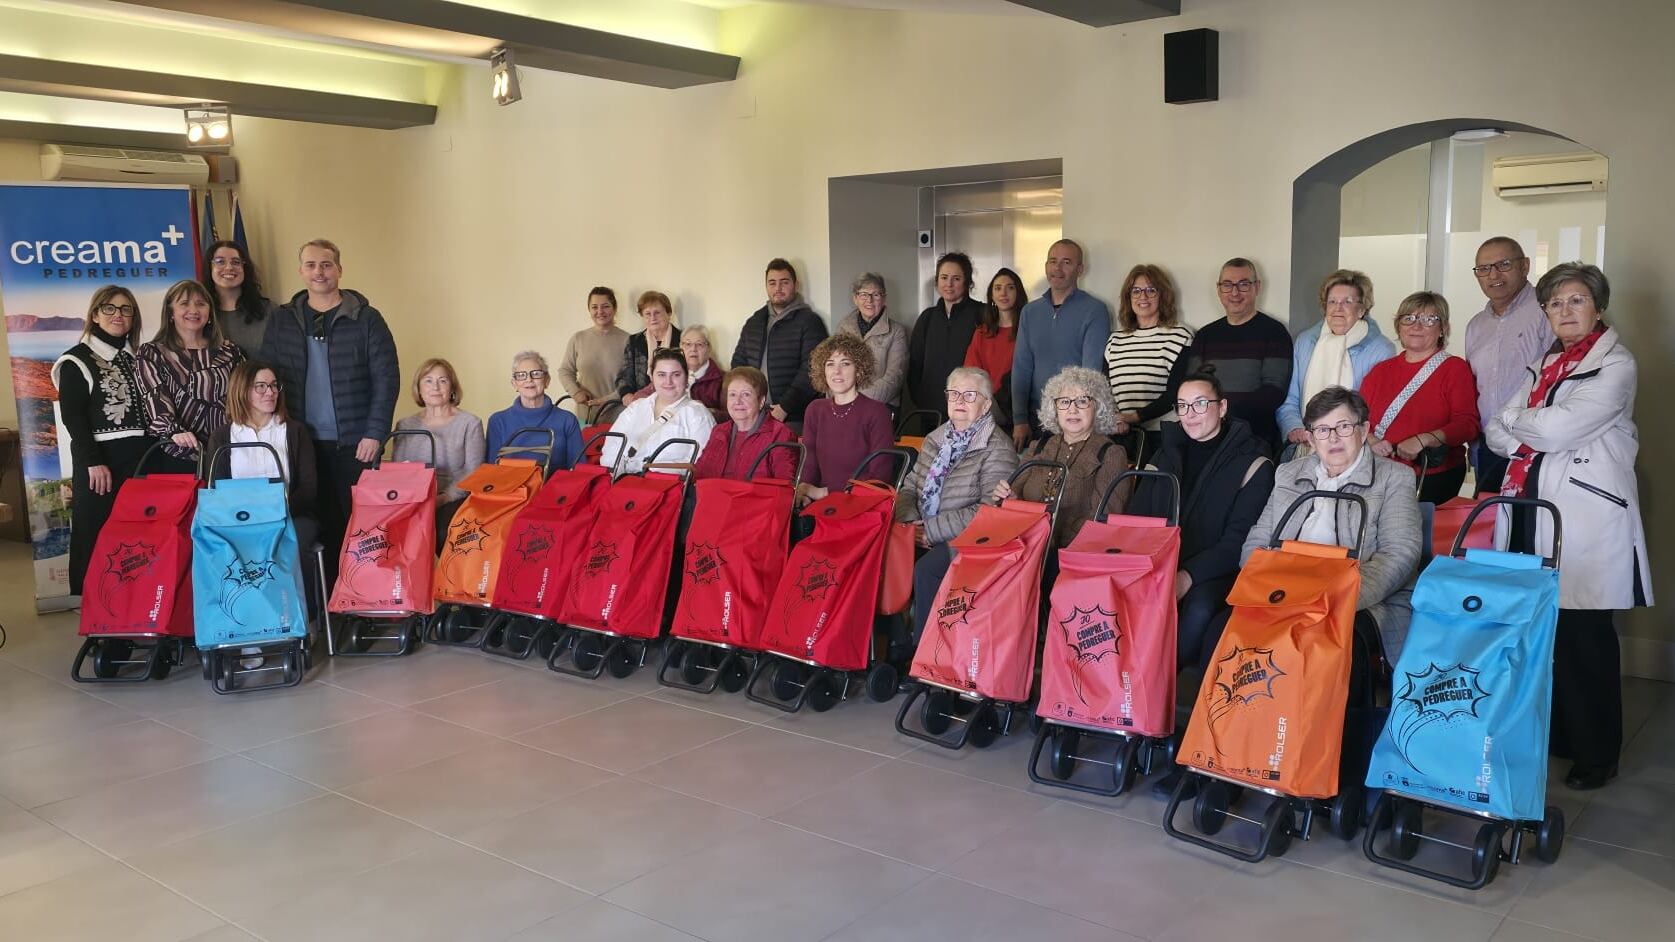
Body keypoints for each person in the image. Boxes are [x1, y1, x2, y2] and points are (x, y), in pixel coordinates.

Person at [1485, 262, 1652, 791]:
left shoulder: (1616, 365)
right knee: (1543, 633)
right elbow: (1494, 427)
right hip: (1531, 508)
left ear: (1597, 306)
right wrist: (1523, 428)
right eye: (1555, 304)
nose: (1565, 311)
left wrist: (1521, 426)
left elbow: (1560, 429)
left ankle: (1598, 752)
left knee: (1585, 638)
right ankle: (1559, 734)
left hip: (1583, 515)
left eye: (1576, 301)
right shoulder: (1542, 365)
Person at [1247, 387, 1421, 662]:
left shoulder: (1394, 477)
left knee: (1319, 645)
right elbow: (1259, 539)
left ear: (1363, 431)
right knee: (1224, 631)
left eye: (1343, 427)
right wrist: (1262, 588)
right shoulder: (1288, 473)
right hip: (1285, 591)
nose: (1333, 438)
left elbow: (1400, 553)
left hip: (1356, 599)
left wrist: (1337, 599)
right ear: (1312, 440)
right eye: (1322, 430)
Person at [261, 238, 400, 566]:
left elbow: (386, 379)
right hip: (301, 442)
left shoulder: (367, 319)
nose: (318, 272)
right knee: (314, 527)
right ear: (301, 272)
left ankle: (361, 605)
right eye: (310, 265)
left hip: (355, 444)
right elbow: (267, 375)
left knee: (362, 527)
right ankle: (324, 607)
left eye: (326, 264)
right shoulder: (283, 320)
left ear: (339, 269)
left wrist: (375, 433)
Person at [1129, 369, 1274, 671]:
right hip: (1159, 562)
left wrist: (1187, 576)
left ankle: (1158, 687)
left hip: (1215, 570)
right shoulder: (1165, 453)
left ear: (1221, 407)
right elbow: (1135, 520)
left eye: (1200, 404)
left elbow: (1238, 542)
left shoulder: (1254, 461)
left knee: (1199, 607)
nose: (1190, 414)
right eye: (1182, 405)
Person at [896, 367, 1020, 638]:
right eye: (954, 394)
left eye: (970, 395)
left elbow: (989, 510)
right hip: (919, 529)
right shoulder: (935, 439)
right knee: (880, 552)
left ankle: (924, 656)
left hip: (967, 540)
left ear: (986, 405)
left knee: (925, 569)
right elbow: (909, 487)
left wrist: (931, 530)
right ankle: (894, 646)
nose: (959, 401)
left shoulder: (998, 447)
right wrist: (909, 525)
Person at [51, 285, 153, 596]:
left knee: (137, 538)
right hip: (100, 461)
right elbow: (74, 418)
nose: (118, 315)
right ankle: (98, 622)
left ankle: (134, 613)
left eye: (125, 309)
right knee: (96, 535)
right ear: (95, 315)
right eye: (109, 308)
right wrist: (92, 461)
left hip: (140, 459)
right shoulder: (75, 361)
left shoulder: (139, 358)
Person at [1160, 258, 1293, 452]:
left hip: (1254, 440)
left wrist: (1219, 413)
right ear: (1218, 289)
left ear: (1257, 287)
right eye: (1228, 285)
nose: (1235, 293)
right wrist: (1211, 415)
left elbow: (1274, 392)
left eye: (1244, 284)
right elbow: (1191, 386)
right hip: (1204, 440)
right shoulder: (1205, 336)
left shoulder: (1275, 332)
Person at [1361, 292, 1480, 503]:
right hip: (1380, 473)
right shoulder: (1380, 371)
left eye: (1428, 320)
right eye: (1409, 318)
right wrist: (1371, 440)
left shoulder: (1454, 369)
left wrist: (1423, 439)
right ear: (1399, 326)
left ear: (1443, 328)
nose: (1416, 326)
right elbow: (1358, 419)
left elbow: (1467, 424)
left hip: (1431, 478)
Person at [992, 366, 1129, 548]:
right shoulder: (1038, 447)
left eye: (1082, 401)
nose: (1072, 409)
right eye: (1064, 402)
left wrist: (1047, 537)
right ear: (1054, 408)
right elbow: (1009, 503)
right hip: (1023, 546)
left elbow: (1101, 522)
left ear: (1097, 406)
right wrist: (1010, 498)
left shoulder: (1111, 454)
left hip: (1072, 555)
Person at [1465, 237, 1552, 494]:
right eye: (1484, 269)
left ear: (1525, 265)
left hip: (1531, 442)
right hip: (1487, 445)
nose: (1493, 275)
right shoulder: (1476, 325)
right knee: (1490, 526)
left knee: (1527, 525)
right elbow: (1474, 385)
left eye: (1503, 264)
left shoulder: (1547, 312)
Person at [205, 360, 318, 553]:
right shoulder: (221, 437)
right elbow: (217, 491)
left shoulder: (295, 431)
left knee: (296, 536)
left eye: (274, 385)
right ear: (242, 390)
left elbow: (309, 489)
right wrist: (249, 516)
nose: (271, 392)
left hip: (288, 516)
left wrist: (276, 512)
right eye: (261, 386)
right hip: (239, 520)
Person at [1277, 269, 1395, 453]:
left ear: (1362, 309)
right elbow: (1291, 398)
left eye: (1347, 302)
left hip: (1354, 448)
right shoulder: (1305, 341)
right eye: (1332, 301)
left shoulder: (1381, 349)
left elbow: (1376, 412)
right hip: (1306, 445)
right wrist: (1294, 428)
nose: (1338, 308)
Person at [135, 279, 245, 474]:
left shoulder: (230, 351)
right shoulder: (151, 353)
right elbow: (154, 397)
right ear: (170, 313)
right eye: (184, 303)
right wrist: (175, 431)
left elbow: (244, 395)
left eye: (201, 304)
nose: (194, 310)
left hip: (229, 452)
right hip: (179, 454)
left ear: (210, 313)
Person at [1012, 239, 1111, 449]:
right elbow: (1021, 368)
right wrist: (1019, 419)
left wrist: (1074, 417)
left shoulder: (1095, 310)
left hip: (1074, 421)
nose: (1057, 268)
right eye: (1052, 261)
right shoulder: (1030, 312)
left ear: (1080, 269)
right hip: (1034, 420)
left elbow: (1089, 374)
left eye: (1066, 262)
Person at [393, 358, 485, 549]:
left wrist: (441, 498)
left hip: (453, 497)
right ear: (419, 389)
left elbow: (473, 473)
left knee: (442, 531)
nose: (435, 386)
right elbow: (396, 472)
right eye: (428, 380)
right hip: (412, 499)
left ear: (452, 387)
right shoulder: (405, 425)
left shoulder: (470, 423)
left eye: (442, 380)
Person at [1103, 264, 1194, 448]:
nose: (1143, 297)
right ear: (1128, 297)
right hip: (1120, 436)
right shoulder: (1115, 340)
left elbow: (1176, 394)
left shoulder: (1180, 336)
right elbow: (1103, 390)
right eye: (1136, 291)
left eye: (1151, 290)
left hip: (1162, 437)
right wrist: (1116, 419)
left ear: (1163, 295)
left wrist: (1134, 417)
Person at [798, 333, 894, 504]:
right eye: (830, 364)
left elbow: (880, 478)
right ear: (823, 370)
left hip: (861, 505)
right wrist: (804, 492)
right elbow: (809, 465)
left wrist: (823, 493)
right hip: (820, 505)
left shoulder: (878, 412)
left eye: (845, 364)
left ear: (859, 370)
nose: (837, 371)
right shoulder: (815, 410)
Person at [731, 258, 827, 425]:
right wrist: (746, 402)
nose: (778, 288)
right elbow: (738, 364)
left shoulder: (810, 322)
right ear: (766, 286)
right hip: (755, 415)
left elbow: (812, 370)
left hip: (794, 417)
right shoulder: (754, 321)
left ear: (795, 285)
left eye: (784, 282)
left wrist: (785, 407)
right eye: (772, 283)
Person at [602, 347, 715, 473]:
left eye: (676, 375)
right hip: (626, 485)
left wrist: (650, 471)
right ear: (652, 377)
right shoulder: (635, 409)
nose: (668, 382)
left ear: (686, 377)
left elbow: (702, 463)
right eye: (661, 375)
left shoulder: (698, 415)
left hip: (671, 488)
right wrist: (621, 475)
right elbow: (611, 448)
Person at [908, 252, 984, 421]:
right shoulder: (927, 318)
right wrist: (921, 400)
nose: (949, 284)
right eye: (943, 277)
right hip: (931, 411)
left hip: (971, 410)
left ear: (967, 282)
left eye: (956, 278)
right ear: (937, 282)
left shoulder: (982, 314)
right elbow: (914, 365)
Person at [693, 367, 797, 481]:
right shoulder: (719, 431)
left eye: (746, 394)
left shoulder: (780, 434)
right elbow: (700, 474)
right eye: (732, 395)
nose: (737, 401)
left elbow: (784, 487)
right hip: (714, 496)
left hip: (755, 498)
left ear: (761, 401)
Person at [486, 351, 584, 471]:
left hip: (553, 488)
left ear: (547, 380)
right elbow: (491, 470)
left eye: (536, 374)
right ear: (514, 384)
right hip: (509, 488)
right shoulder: (498, 421)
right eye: (521, 375)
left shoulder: (567, 420)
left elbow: (579, 470)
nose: (529, 379)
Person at [964, 267, 1024, 433]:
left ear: (1018, 293)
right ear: (991, 295)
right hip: (987, 411)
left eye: (1010, 288)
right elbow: (971, 373)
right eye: (998, 288)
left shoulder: (1027, 331)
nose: (1003, 293)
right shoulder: (982, 333)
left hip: (1019, 411)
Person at [836, 273, 908, 410]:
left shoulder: (897, 332)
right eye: (863, 294)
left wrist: (856, 401)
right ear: (855, 298)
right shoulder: (843, 328)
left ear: (884, 298)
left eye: (876, 295)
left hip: (882, 406)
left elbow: (894, 379)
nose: (869, 300)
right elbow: (835, 369)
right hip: (844, 403)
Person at [556, 287, 629, 418]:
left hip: (618, 415)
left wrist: (607, 400)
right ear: (589, 310)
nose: (600, 312)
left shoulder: (628, 340)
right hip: (586, 414)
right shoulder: (578, 339)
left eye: (605, 306)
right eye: (594, 307)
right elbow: (565, 370)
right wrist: (575, 392)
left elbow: (632, 382)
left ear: (614, 308)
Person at [201, 240, 274, 356]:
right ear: (209, 268)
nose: (229, 267)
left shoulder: (269, 310)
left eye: (236, 262)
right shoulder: (199, 314)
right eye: (220, 262)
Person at [635, 325, 722, 415]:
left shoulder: (721, 380)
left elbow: (730, 417)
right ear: (681, 347)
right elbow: (639, 396)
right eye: (688, 344)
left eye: (699, 344)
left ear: (709, 348)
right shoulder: (671, 371)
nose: (693, 349)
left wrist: (708, 412)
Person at [616, 290, 681, 407]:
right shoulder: (634, 341)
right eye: (647, 314)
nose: (653, 318)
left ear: (669, 313)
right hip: (641, 403)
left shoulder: (683, 340)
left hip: (674, 403)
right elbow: (624, 376)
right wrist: (626, 395)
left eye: (657, 313)